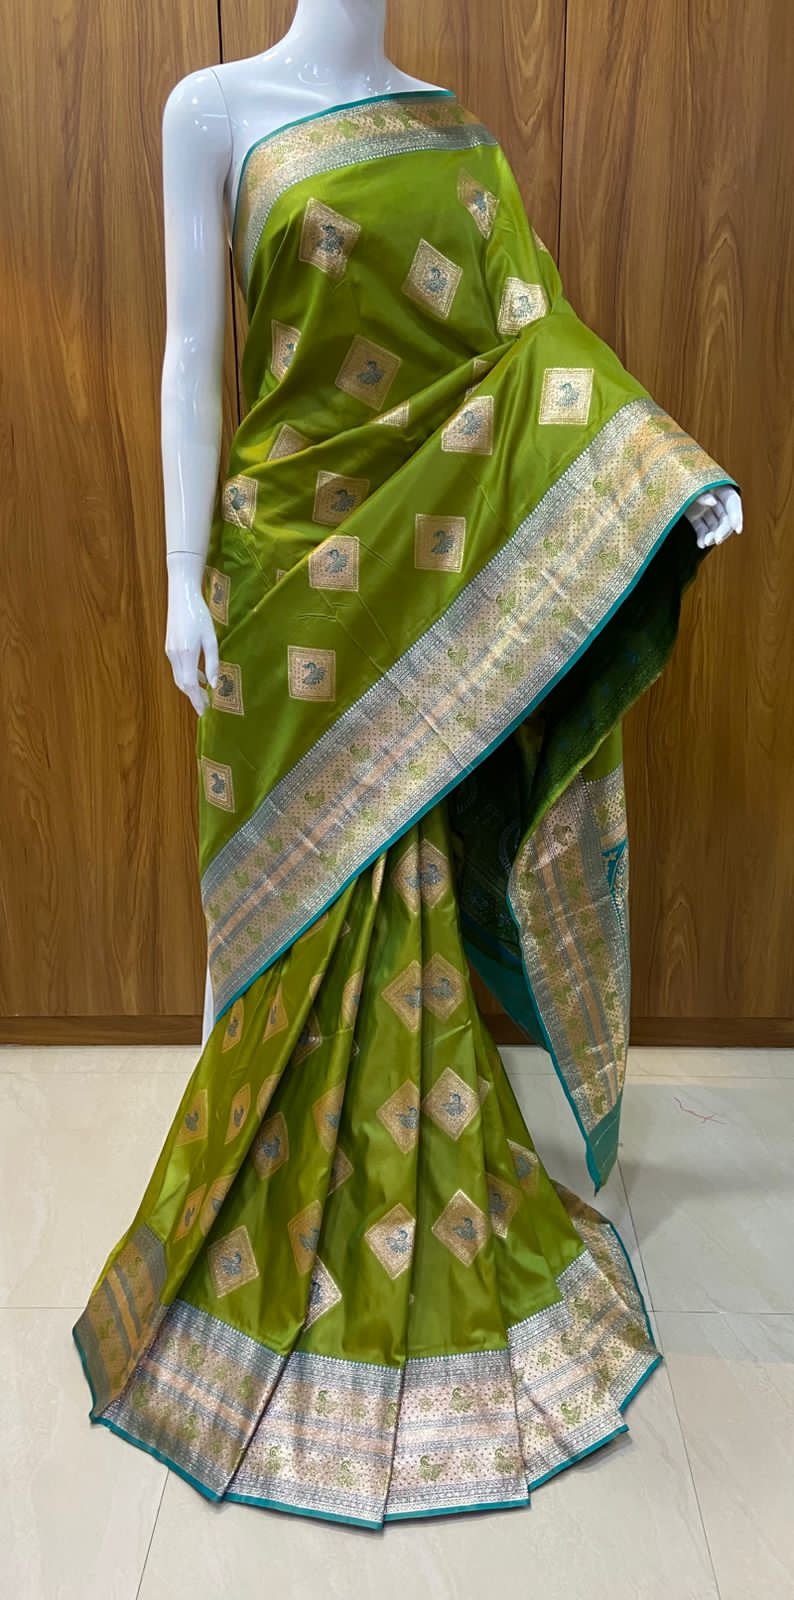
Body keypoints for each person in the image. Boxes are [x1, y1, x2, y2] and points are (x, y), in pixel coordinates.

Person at [72, 10, 742, 1529]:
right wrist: (179, 575)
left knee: (397, 879)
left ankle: (400, 1197)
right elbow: (195, 348)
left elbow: (531, 353)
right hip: (281, 570)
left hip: (420, 575)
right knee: (282, 900)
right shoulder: (211, 108)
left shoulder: (459, 137)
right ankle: (240, 1176)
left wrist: (655, 472)